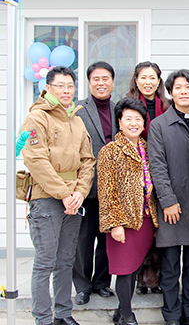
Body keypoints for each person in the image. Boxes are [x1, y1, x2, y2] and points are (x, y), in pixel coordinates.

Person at [21, 66, 95, 325]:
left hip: (73, 200)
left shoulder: (76, 118)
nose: (66, 90)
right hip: (46, 199)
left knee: (66, 260)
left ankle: (63, 314)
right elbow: (35, 159)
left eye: (70, 86)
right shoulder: (36, 118)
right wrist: (64, 193)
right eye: (60, 85)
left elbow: (88, 160)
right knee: (45, 261)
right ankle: (42, 317)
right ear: (48, 88)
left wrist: (79, 192)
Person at [148, 69, 189, 325]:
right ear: (170, 92)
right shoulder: (159, 125)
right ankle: (172, 315)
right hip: (173, 206)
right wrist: (168, 200)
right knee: (171, 265)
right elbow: (157, 166)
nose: (183, 92)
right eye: (178, 87)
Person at [98, 97, 160, 325]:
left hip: (145, 220)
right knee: (124, 270)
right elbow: (107, 191)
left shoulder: (145, 148)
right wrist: (115, 224)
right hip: (124, 223)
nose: (134, 123)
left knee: (134, 269)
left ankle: (119, 311)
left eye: (138, 119)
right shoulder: (110, 151)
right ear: (119, 122)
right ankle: (127, 315)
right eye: (129, 119)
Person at [73, 61, 117, 306]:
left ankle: (102, 283)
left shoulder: (118, 108)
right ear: (89, 82)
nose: (101, 83)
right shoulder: (78, 109)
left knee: (107, 238)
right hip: (86, 186)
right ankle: (82, 286)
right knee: (82, 240)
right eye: (96, 79)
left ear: (112, 81)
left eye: (105, 78)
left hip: (111, 188)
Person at [126, 61, 170, 140]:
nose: (148, 82)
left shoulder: (168, 107)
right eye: (143, 78)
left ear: (158, 81)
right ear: (136, 80)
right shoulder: (127, 106)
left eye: (152, 78)